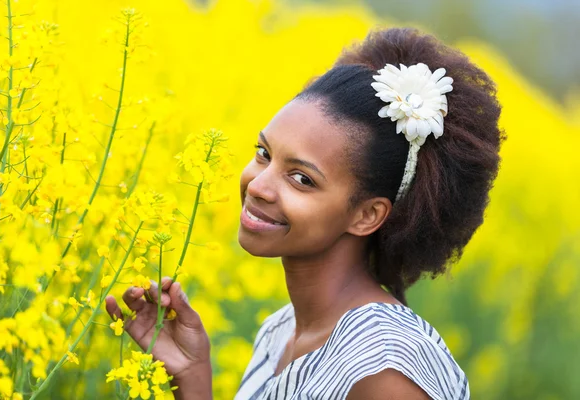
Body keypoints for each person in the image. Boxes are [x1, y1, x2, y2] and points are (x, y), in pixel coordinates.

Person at [105, 27, 503, 400]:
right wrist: (193, 375)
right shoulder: (279, 332)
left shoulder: (385, 367)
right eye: (264, 154)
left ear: (366, 215)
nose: (258, 186)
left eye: (301, 179)